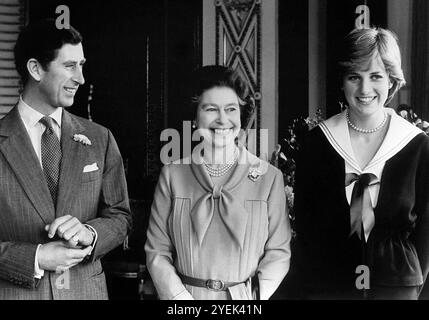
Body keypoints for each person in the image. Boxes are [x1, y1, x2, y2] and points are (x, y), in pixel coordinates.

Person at [292, 27, 429, 300]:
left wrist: (411, 284)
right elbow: (306, 229)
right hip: (327, 286)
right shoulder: (316, 144)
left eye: (376, 76)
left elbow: (426, 232)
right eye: (354, 76)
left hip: (396, 286)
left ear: (391, 80)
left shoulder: (417, 145)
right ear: (342, 81)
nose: (365, 89)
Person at [0, 19, 131, 299]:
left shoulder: (100, 138)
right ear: (35, 69)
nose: (81, 78)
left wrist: (89, 233)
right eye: (70, 66)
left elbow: (120, 217)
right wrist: (35, 258)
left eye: (81, 65)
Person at [145, 65, 291, 300]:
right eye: (211, 109)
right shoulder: (172, 175)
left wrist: (249, 299)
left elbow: (279, 254)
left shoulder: (269, 177)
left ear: (241, 116)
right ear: (194, 117)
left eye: (231, 109)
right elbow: (157, 252)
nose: (222, 120)